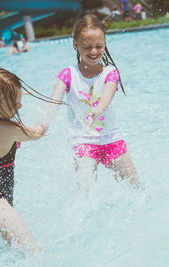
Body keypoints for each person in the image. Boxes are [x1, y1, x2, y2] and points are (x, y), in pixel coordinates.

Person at [0, 66, 64, 254]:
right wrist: (50, 110)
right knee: (34, 253)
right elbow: (38, 132)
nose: (20, 106)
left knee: (16, 253)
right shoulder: (9, 129)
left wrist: (10, 95)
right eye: (15, 103)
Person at [48, 14, 139, 191]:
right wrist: (43, 122)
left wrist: (98, 109)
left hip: (112, 140)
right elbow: (53, 102)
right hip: (83, 143)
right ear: (76, 45)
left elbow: (108, 93)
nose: (94, 52)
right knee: (86, 192)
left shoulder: (110, 73)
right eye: (87, 47)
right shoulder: (68, 74)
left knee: (136, 186)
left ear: (105, 43)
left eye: (99, 46)